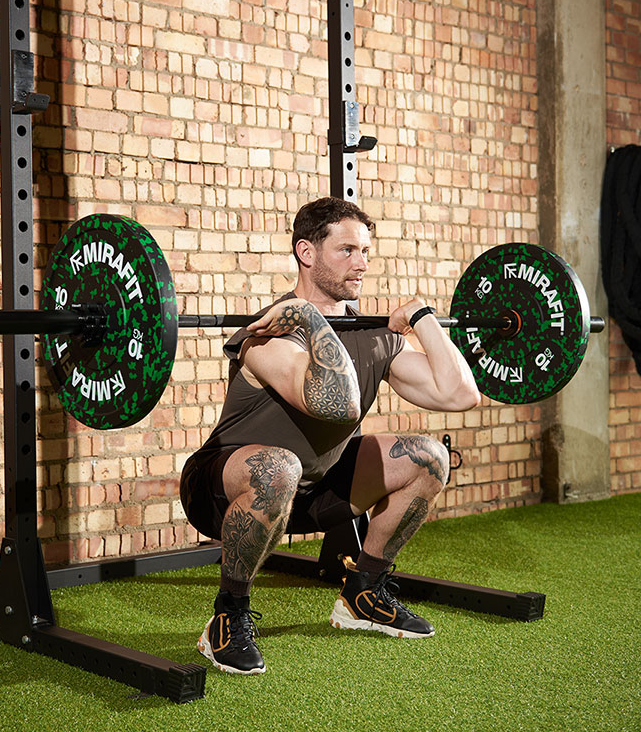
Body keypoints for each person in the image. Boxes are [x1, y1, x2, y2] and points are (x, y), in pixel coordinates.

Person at [179, 196, 482, 675]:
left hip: (316, 485)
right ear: (306, 252)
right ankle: (228, 616)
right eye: (347, 250)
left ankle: (363, 592)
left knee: (429, 457)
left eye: (365, 250)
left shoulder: (370, 334)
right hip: (224, 488)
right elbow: (335, 404)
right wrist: (306, 316)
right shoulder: (267, 336)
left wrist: (423, 318)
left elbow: (460, 394)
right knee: (279, 467)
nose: (361, 263)